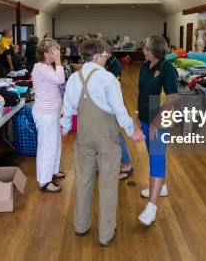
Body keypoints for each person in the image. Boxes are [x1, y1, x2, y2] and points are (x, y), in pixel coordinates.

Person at [61, 39, 145, 247]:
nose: (107, 59)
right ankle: (106, 233)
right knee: (108, 184)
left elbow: (68, 107)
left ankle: (81, 225)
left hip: (84, 136)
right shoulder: (108, 79)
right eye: (106, 56)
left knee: (83, 181)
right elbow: (119, 110)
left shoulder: (73, 78)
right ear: (98, 56)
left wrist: (64, 128)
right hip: (106, 137)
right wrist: (131, 131)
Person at [137, 35, 178, 227]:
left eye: (147, 48)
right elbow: (142, 93)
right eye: (144, 48)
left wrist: (156, 122)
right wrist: (139, 115)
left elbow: (172, 98)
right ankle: (161, 187)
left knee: (157, 157)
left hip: (160, 119)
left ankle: (152, 207)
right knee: (152, 153)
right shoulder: (145, 66)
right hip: (146, 117)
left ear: (157, 51)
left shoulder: (168, 69)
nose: (143, 50)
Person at [32, 38, 66, 193]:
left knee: (55, 144)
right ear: (46, 54)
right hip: (46, 113)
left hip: (52, 112)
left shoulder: (47, 67)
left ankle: (53, 170)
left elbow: (58, 83)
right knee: (47, 147)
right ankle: (44, 181)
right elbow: (60, 79)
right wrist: (58, 61)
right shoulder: (40, 67)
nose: (57, 54)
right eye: (54, 51)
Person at [104, 53, 133, 180]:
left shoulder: (114, 64)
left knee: (116, 135)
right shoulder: (105, 64)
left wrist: (130, 128)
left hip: (111, 105)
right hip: (103, 106)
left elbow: (119, 107)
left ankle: (126, 164)